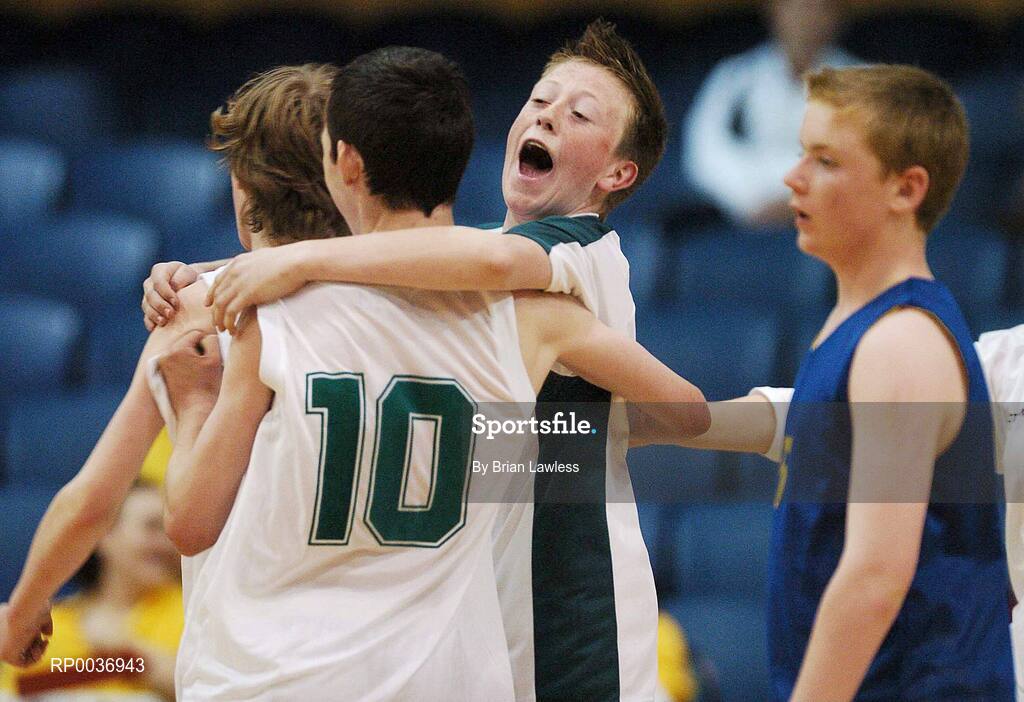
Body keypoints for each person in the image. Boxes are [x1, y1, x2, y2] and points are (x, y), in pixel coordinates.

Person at [155, 46, 707, 699]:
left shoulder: (565, 258)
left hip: (568, 612)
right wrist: (210, 275)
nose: (549, 117)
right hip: (466, 638)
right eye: (538, 99)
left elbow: (494, 265)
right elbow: (417, 257)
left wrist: (256, 273)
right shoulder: (475, 283)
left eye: (579, 113)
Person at [659, 64, 1014, 700]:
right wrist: (644, 422)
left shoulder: (900, 342)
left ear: (905, 190)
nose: (792, 177)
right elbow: (806, 423)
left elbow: (876, 577)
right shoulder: (861, 323)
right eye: (801, 154)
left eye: (824, 160)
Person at [0, 63, 349, 670]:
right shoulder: (426, 296)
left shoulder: (195, 313)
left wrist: (22, 608)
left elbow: (94, 500)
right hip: (392, 660)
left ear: (242, 188)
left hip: (246, 667)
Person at [0, 482, 181, 701]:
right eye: (152, 527)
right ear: (104, 534)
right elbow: (15, 691)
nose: (167, 543)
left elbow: (208, 688)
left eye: (169, 530)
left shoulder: (191, 611)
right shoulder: (50, 625)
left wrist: (129, 655)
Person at [682, 0, 856, 226]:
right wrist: (751, 202)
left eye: (818, 7)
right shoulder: (734, 75)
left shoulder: (864, 86)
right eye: (794, 6)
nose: (805, 18)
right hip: (741, 224)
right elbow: (705, 153)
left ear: (837, 16)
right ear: (774, 11)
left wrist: (795, 201)